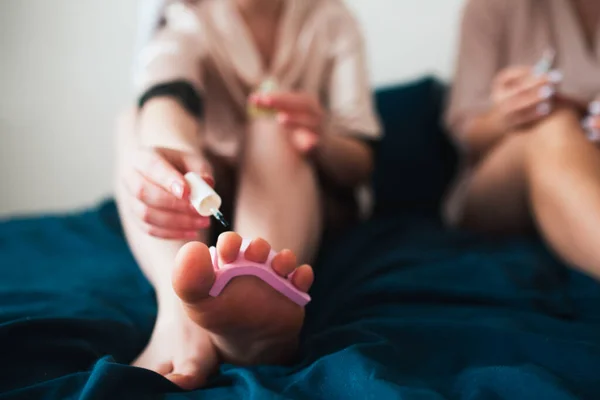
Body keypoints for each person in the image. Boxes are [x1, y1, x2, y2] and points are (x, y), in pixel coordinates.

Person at [115, 0, 381, 390]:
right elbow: (165, 95)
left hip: (297, 194)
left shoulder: (332, 21)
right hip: (207, 189)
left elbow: (359, 163)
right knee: (133, 125)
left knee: (272, 125)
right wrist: (167, 148)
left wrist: (319, 135)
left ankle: (258, 287)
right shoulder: (186, 13)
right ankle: (183, 314)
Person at [445, 0, 600, 277]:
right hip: (502, 185)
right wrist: (506, 115)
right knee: (553, 123)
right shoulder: (490, 7)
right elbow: (468, 134)